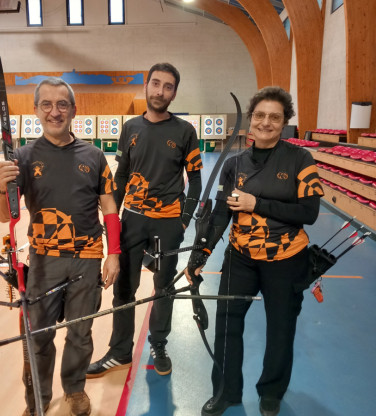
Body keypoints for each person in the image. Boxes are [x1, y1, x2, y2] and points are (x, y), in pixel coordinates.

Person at [185, 86, 324, 416]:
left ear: (284, 122)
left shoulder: (300, 159)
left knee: (281, 328)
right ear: (251, 119)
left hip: (286, 259)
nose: (266, 122)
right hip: (241, 258)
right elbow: (221, 212)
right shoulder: (234, 164)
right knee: (227, 325)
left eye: (275, 117)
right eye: (260, 115)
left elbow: (309, 213)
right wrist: (200, 254)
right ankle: (226, 392)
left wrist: (256, 204)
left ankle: (271, 391)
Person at [0, 77, 120, 416]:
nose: (55, 111)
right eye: (46, 104)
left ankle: (74, 389)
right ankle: (38, 398)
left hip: (87, 259)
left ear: (74, 110)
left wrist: (114, 254)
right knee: (38, 336)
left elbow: (109, 208)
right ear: (36, 110)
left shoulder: (94, 156)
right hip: (44, 261)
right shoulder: (22, 157)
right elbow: (5, 214)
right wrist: (1, 187)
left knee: (81, 332)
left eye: (62, 104)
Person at [87, 63, 203, 378]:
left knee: (163, 288)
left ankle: (159, 345)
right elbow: (121, 177)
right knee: (124, 288)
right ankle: (120, 352)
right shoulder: (130, 128)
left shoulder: (185, 131)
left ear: (174, 93)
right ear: (146, 85)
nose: (160, 91)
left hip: (168, 223)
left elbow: (195, 180)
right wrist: (113, 217)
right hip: (132, 222)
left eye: (168, 86)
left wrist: (183, 221)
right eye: (156, 83)